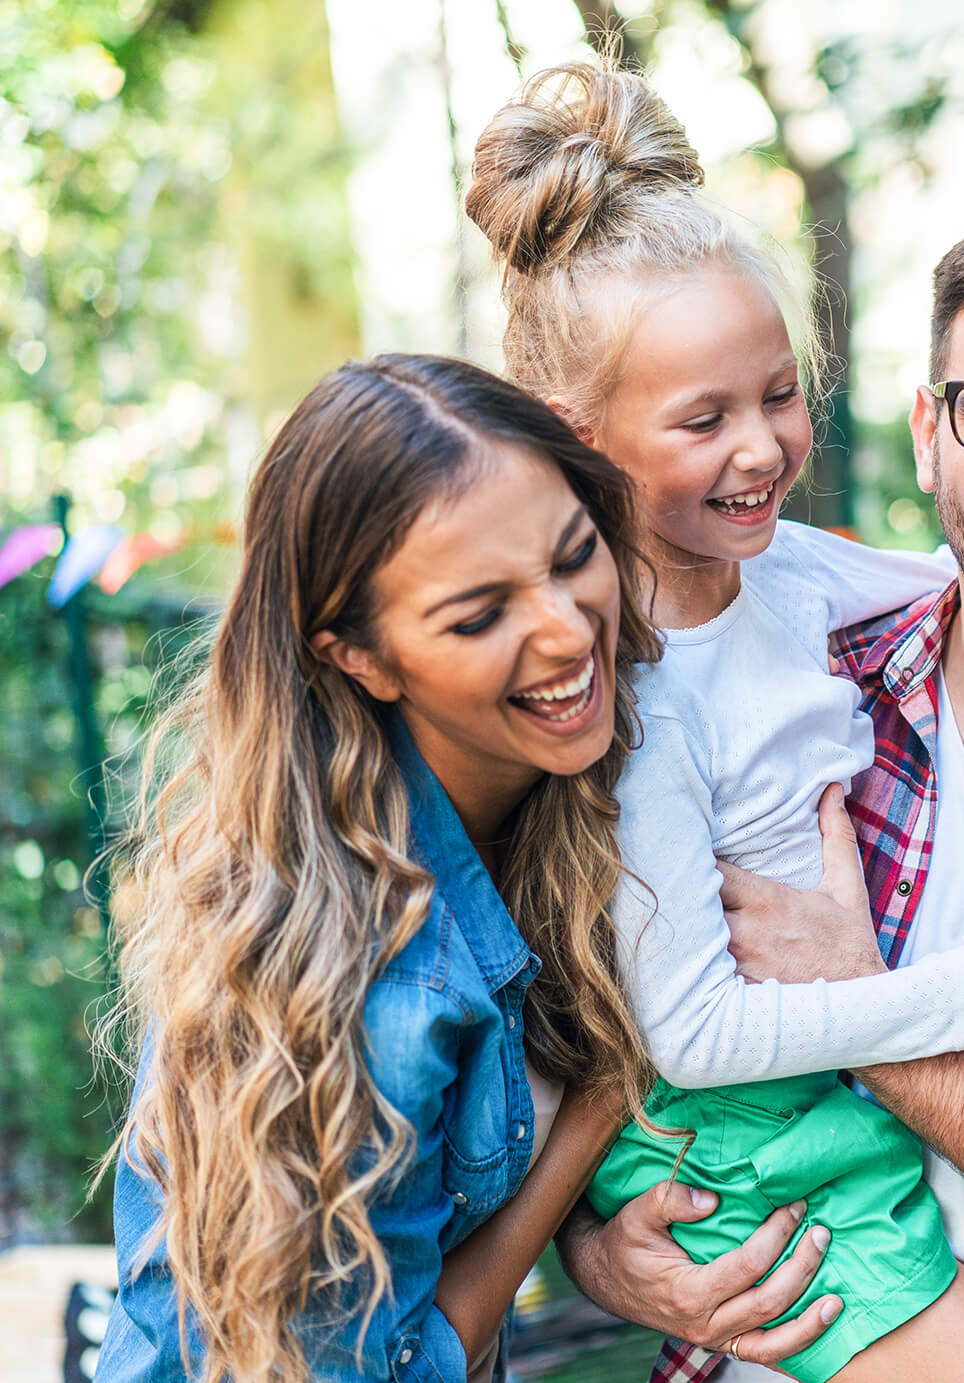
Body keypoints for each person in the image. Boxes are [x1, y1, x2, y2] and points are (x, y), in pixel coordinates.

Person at [464, 72, 964, 1383]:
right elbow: (691, 1031)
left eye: (778, 394)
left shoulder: (782, 572)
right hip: (733, 1131)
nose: (763, 447)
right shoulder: (640, 697)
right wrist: (962, 991)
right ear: (581, 438)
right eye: (702, 420)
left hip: (815, 1111)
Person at [95, 355, 664, 1382]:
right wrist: (595, 1111)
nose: (567, 628)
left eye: (575, 554)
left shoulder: (549, 775)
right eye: (478, 616)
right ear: (358, 655)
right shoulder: (375, 988)